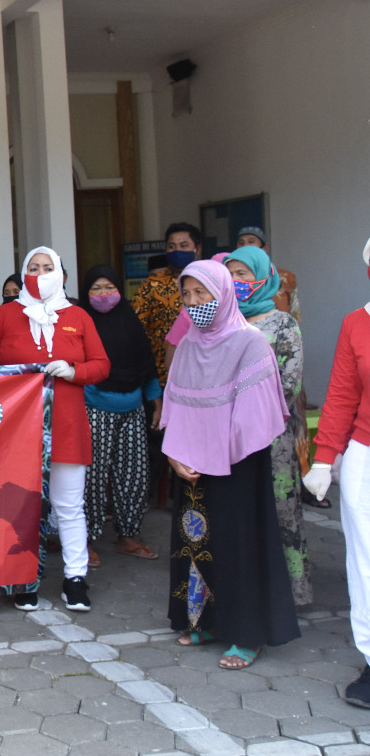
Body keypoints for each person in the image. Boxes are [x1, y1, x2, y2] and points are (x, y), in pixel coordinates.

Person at [162, 260, 298, 670]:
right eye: (187, 295)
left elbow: (255, 416)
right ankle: (205, 622)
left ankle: (246, 634)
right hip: (190, 465)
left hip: (237, 463)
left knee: (238, 547)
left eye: (201, 293)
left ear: (221, 293)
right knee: (196, 545)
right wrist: (175, 453)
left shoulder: (249, 342)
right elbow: (175, 404)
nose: (194, 302)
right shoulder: (188, 344)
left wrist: (213, 451)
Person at [0, 247, 110, 612]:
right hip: (19, 429)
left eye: (48, 268)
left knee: (69, 506)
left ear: (61, 274)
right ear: (23, 273)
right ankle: (24, 577)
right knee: (22, 506)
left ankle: (75, 578)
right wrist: (12, 379)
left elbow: (101, 364)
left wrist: (74, 371)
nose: (41, 274)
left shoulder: (78, 316)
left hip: (67, 425)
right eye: (34, 268)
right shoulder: (6, 315)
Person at [224, 245, 311, 603]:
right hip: (228, 436)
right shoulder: (223, 322)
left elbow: (289, 383)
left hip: (273, 435)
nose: (235, 281)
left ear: (262, 276)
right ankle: (248, 592)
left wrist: (251, 414)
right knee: (242, 514)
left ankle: (292, 592)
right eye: (230, 274)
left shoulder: (283, 323)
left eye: (242, 274)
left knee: (281, 510)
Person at [310, 236, 370, 706]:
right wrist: (324, 457)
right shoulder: (357, 323)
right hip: (365, 455)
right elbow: (342, 395)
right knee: (366, 563)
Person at [79, 265, 162, 566]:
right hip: (94, 407)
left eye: (109, 288)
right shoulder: (81, 322)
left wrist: (156, 403)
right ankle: (85, 540)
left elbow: (146, 364)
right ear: (86, 293)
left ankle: (128, 536)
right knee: (92, 477)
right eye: (96, 289)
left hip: (133, 407)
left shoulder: (131, 320)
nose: (103, 294)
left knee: (134, 473)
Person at [132, 223, 203, 385]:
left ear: (197, 249)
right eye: (172, 246)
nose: (177, 250)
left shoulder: (210, 282)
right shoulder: (151, 285)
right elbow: (137, 330)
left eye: (184, 245)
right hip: (162, 376)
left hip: (205, 371)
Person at [236, 226, 300, 320]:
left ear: (265, 248)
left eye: (251, 242)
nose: (245, 246)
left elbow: (294, 313)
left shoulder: (286, 277)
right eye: (241, 243)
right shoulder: (233, 277)